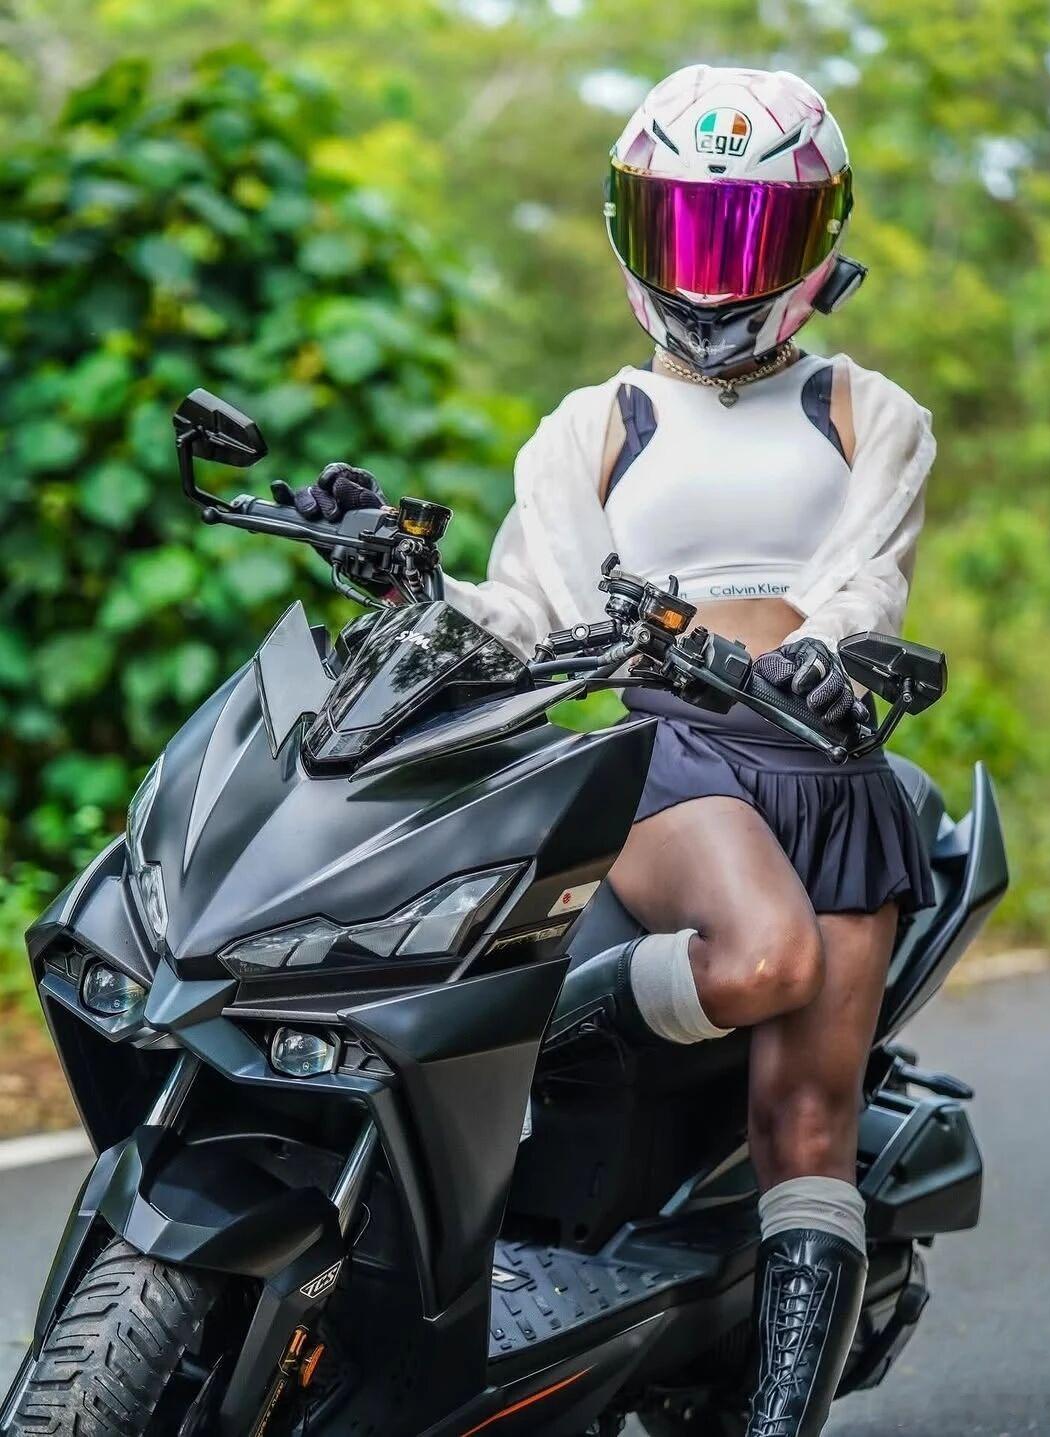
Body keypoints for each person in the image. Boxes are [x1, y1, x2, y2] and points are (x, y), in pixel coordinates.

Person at [283, 65, 936, 1437]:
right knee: (764, 960)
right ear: (630, 230)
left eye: (749, 235)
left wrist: (822, 649)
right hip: (672, 754)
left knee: (807, 1133)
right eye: (686, 228)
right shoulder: (594, 424)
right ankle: (547, 1036)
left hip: (829, 764)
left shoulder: (869, 411)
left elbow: (867, 582)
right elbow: (531, 607)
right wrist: (407, 582)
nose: (714, 272)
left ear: (819, 237)